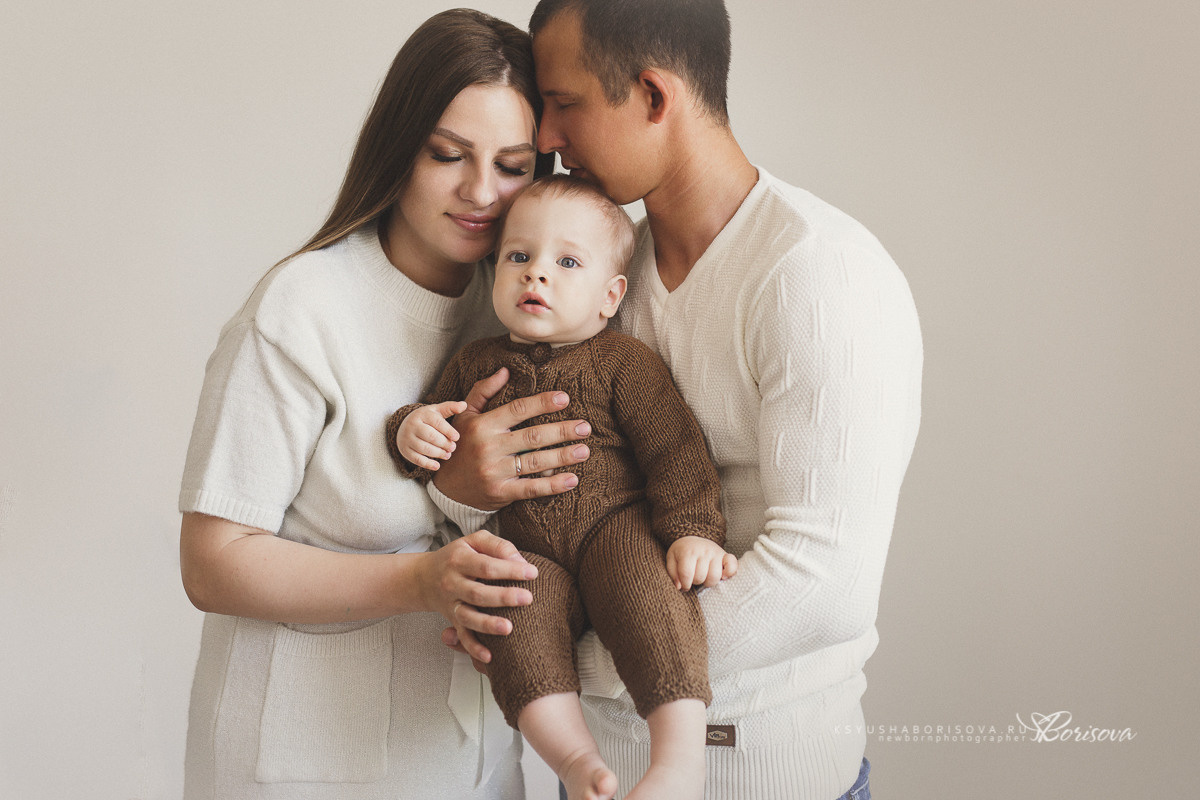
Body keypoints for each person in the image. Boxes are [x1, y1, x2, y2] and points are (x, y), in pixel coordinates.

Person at [428, 1, 924, 798]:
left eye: (564, 103)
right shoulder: (589, 274)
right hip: (592, 777)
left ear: (654, 97)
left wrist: (549, 654)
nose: (545, 140)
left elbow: (823, 586)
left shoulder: (820, 276)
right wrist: (461, 488)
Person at [176, 9, 568, 799]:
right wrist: (421, 582)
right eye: (447, 155)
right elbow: (211, 564)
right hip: (298, 769)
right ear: (400, 146)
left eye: (513, 165)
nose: (481, 193)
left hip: (473, 765)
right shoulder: (300, 309)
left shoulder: (525, 310)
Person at [390, 175, 738, 800]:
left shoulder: (623, 362)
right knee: (508, 623)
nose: (536, 275)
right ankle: (577, 762)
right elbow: (436, 429)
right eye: (518, 257)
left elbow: (674, 450)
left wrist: (693, 532)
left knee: (649, 598)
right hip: (529, 549)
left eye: (566, 262)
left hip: (615, 525)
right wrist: (410, 429)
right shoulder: (476, 363)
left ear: (610, 297)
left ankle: (681, 761)